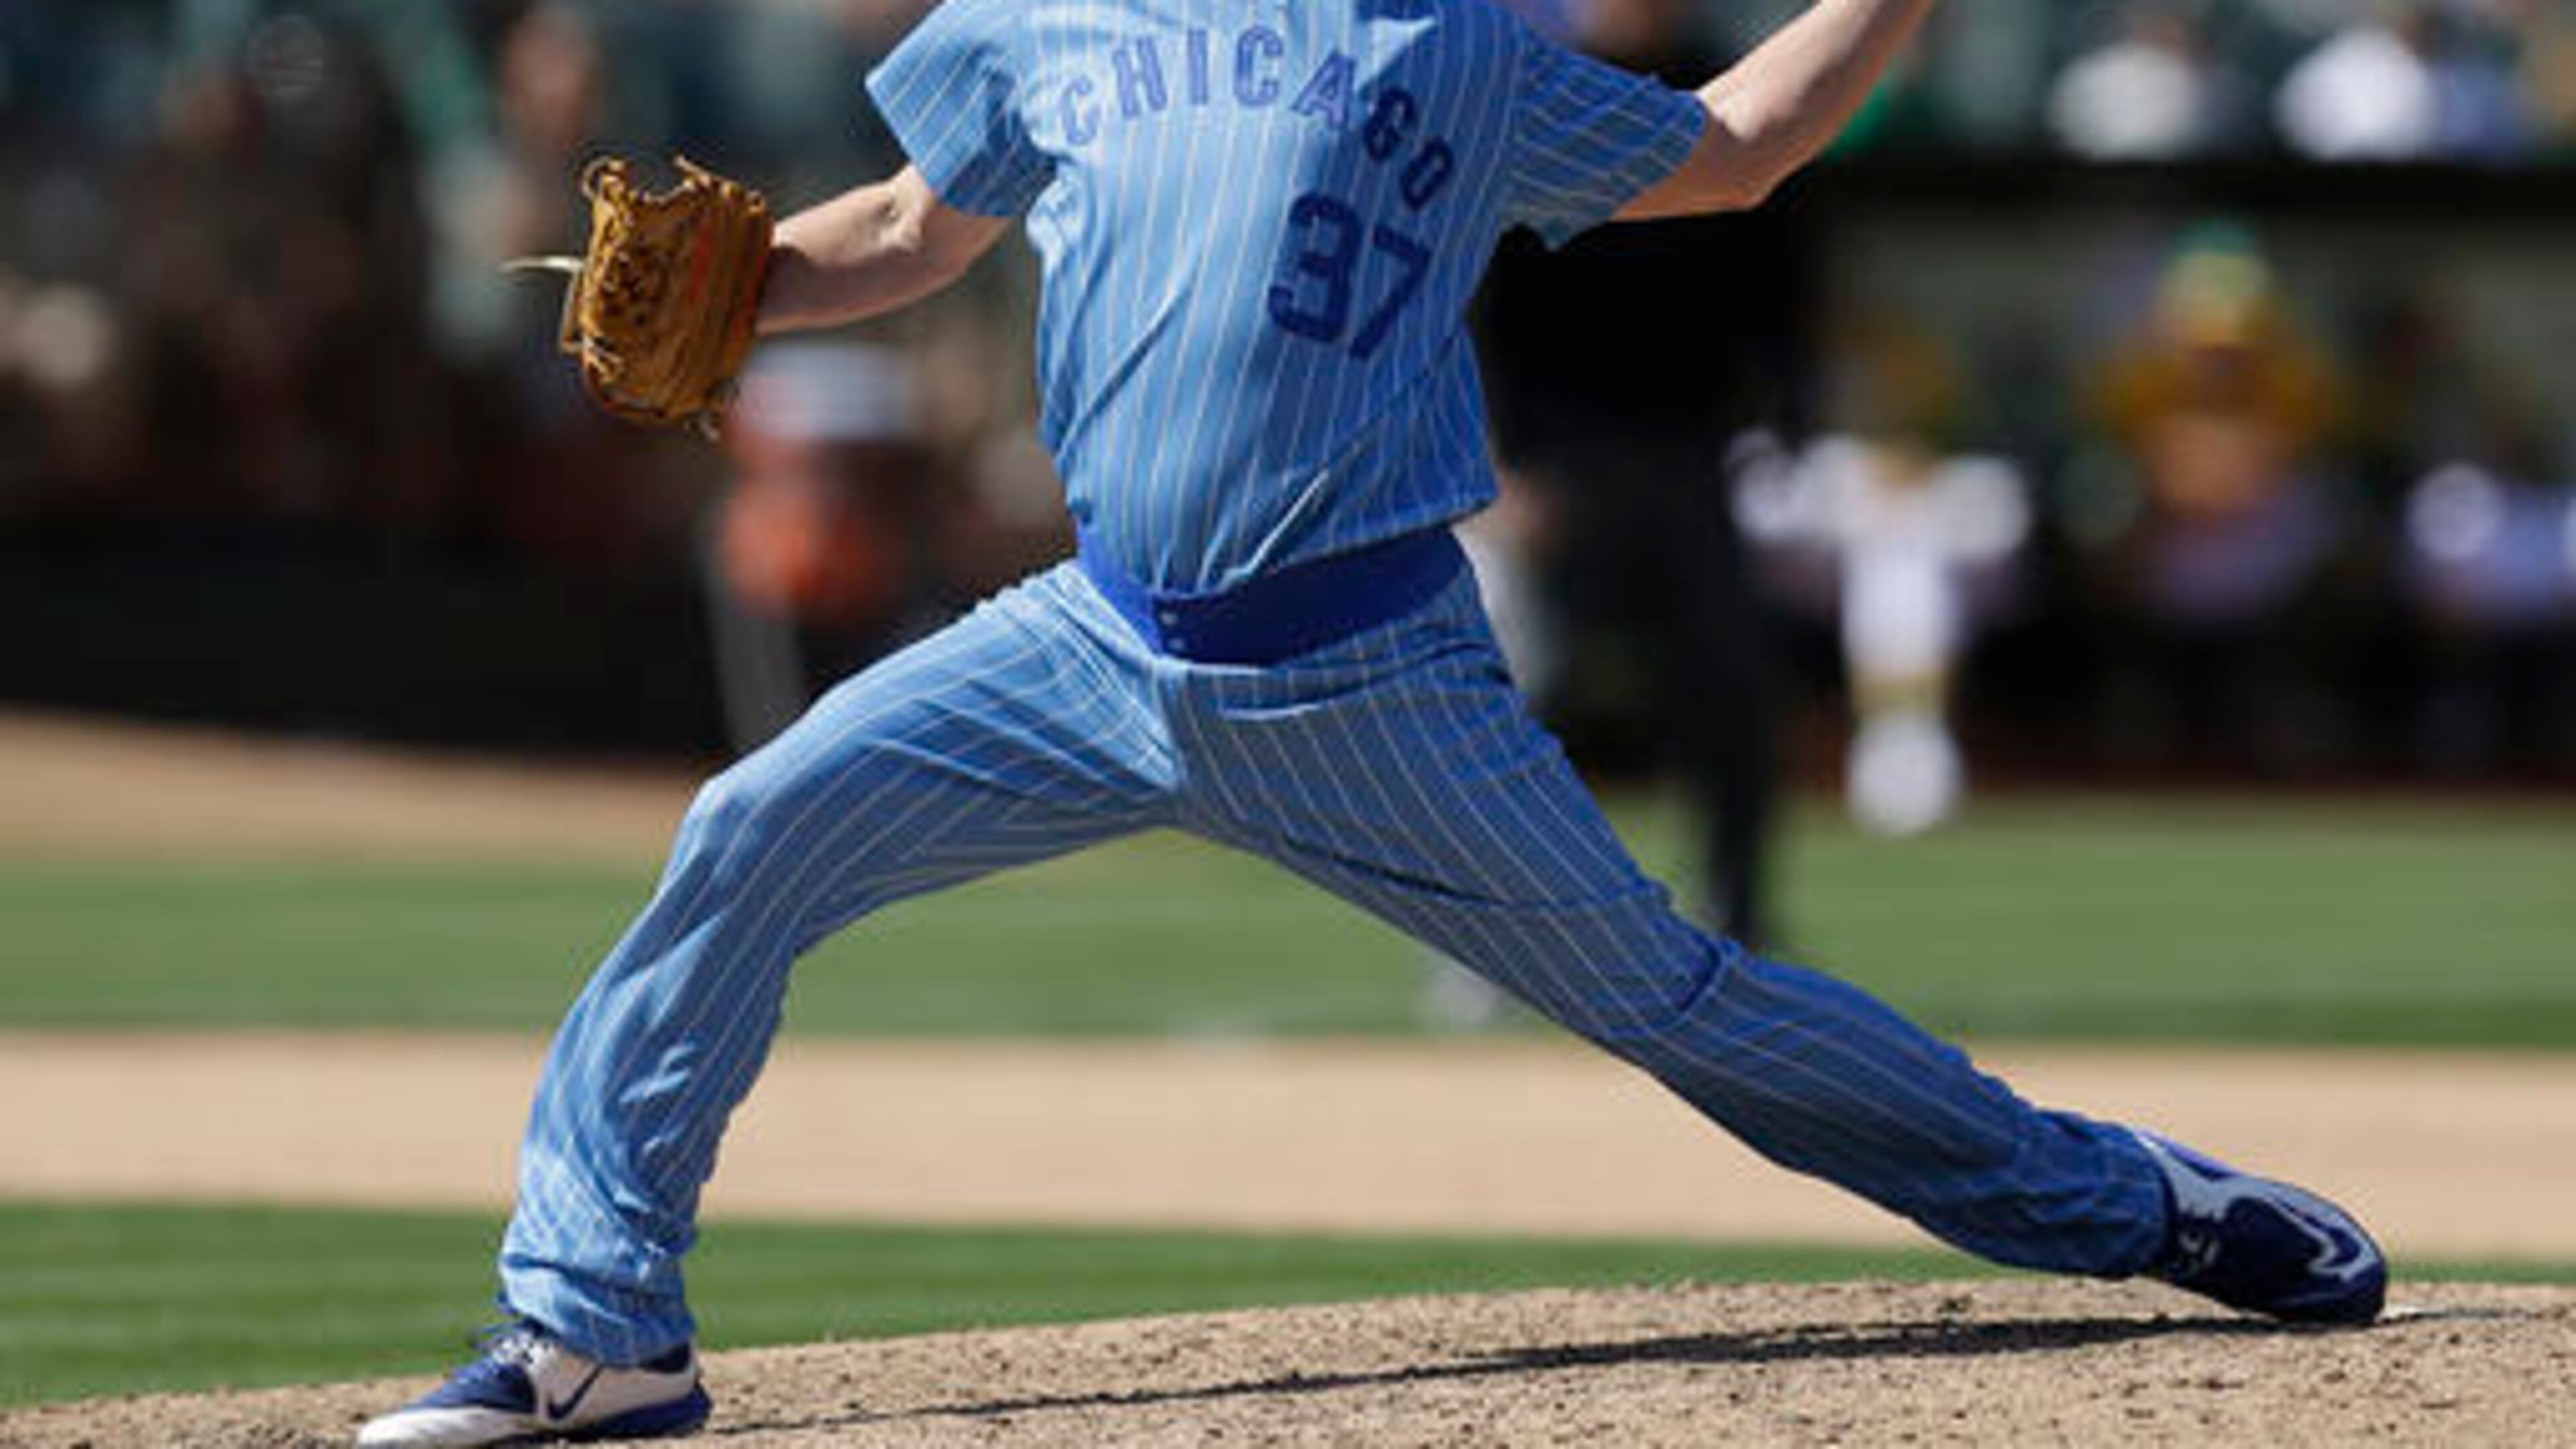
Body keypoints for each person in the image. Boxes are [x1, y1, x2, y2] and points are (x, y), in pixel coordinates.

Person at [360, 0, 2385, 1442]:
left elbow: (1745, 147)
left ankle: (2144, 1205)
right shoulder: (1043, 20)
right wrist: (746, 289)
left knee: (1686, 1008)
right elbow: (902, 233)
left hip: (1374, 675)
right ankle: (595, 1332)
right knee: (750, 834)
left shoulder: (1457, 41)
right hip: (1092, 643)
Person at [1472, 0, 1803, 947]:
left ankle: (1738, 914)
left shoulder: (1730, 92)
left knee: (1732, 686)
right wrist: (1499, 462)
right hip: (1562, 462)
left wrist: (1782, 426)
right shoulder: (1533, 87)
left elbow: (1780, 293)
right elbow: (1483, 304)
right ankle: (1496, 937)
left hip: (1694, 453)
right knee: (1523, 697)